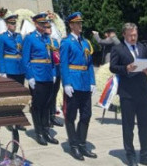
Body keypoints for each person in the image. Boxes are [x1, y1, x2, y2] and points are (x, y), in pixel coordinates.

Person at [109, 23, 147, 166]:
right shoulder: (118, 49)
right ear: (124, 34)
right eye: (130, 35)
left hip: (143, 91)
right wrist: (126, 68)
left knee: (145, 126)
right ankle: (130, 155)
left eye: (135, 35)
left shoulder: (143, 47)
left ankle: (145, 155)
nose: (133, 38)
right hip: (127, 93)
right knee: (128, 126)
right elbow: (113, 67)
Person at [60, 11, 96, 161]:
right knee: (70, 116)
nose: (80, 25)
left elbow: (90, 64)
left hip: (85, 83)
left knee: (86, 115)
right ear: (71, 25)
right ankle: (73, 145)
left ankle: (82, 143)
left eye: (81, 23)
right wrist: (66, 83)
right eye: (77, 23)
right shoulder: (66, 42)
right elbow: (63, 64)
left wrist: (92, 81)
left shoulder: (86, 42)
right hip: (73, 83)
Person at [22, 12, 59, 146]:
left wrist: (54, 73)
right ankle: (39, 132)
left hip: (48, 76)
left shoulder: (47, 38)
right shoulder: (30, 38)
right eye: (42, 24)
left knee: (47, 105)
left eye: (45, 24)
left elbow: (52, 58)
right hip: (37, 76)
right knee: (38, 106)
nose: (45, 26)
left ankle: (46, 130)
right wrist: (30, 77)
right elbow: (25, 60)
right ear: (36, 24)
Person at [0, 13, 27, 135]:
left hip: (20, 69)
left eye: (15, 23)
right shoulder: (2, 37)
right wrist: (2, 71)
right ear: (7, 25)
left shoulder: (19, 37)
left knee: (19, 96)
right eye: (12, 23)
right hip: (9, 69)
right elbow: (0, 55)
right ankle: (9, 121)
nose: (14, 25)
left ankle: (18, 120)